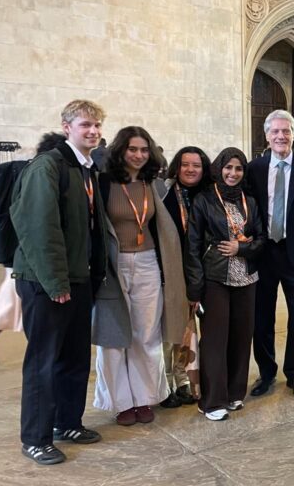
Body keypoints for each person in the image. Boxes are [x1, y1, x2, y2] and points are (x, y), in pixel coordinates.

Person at [11, 100, 109, 465]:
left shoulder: (86, 169)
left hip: (78, 278)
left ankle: (67, 422)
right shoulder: (48, 167)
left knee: (74, 356)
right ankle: (35, 438)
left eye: (97, 125)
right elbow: (40, 230)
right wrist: (56, 283)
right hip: (45, 281)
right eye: (85, 125)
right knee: (43, 361)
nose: (93, 131)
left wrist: (90, 275)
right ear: (67, 126)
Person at [93, 126, 187, 426]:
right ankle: (120, 402)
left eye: (144, 150)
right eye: (133, 149)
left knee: (146, 334)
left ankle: (145, 397)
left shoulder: (153, 184)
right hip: (114, 263)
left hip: (147, 262)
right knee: (113, 335)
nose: (138, 155)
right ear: (121, 150)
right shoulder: (103, 182)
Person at [246, 109, 294, 400]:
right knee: (262, 319)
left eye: (286, 131)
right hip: (264, 255)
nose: (281, 136)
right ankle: (266, 374)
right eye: (275, 132)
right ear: (266, 136)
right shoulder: (254, 169)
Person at [0, 132, 69, 365]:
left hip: (15, 246)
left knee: (13, 294)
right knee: (17, 295)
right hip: (25, 251)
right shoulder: (39, 174)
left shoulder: (22, 170)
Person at [186, 148, 265, 421]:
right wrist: (195, 288)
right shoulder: (204, 200)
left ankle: (234, 393)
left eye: (238, 168)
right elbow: (193, 246)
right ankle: (212, 401)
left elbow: (260, 239)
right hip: (215, 277)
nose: (233, 173)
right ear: (219, 168)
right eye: (228, 167)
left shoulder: (250, 201)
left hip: (247, 277)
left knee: (242, 337)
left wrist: (241, 249)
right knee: (215, 340)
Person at [158, 146, 212, 408]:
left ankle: (184, 382)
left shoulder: (209, 196)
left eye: (197, 165)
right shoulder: (165, 194)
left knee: (189, 330)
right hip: (172, 271)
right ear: (176, 167)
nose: (191, 170)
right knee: (172, 330)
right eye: (185, 164)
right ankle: (166, 384)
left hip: (202, 270)